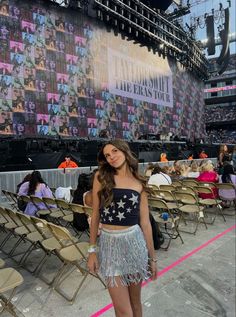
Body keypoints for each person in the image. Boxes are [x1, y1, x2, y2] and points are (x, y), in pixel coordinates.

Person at [87, 139, 157, 317]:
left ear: (125, 151)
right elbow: (95, 215)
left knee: (135, 304)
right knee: (123, 310)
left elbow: (146, 223)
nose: (111, 157)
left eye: (115, 151)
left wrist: (153, 258)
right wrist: (92, 251)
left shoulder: (139, 182)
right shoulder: (100, 177)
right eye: (107, 155)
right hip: (109, 246)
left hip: (134, 244)